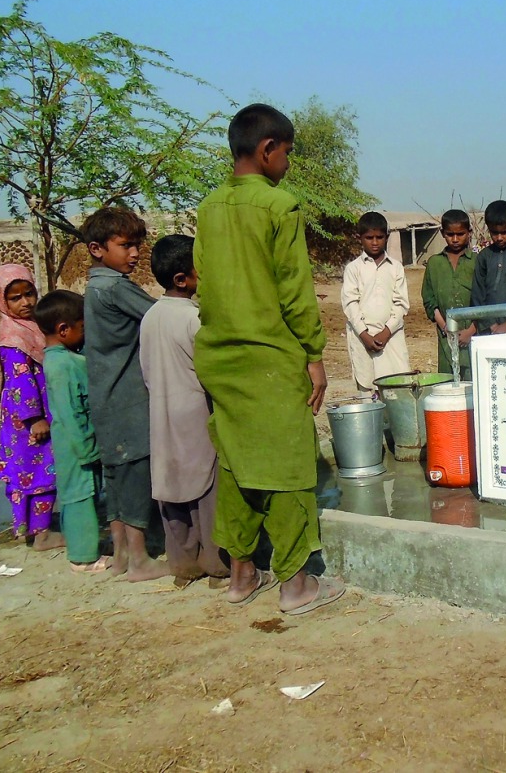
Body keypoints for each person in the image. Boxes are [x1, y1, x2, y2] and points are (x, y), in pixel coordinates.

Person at [194, 103, 345, 614]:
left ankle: (242, 575)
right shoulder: (280, 206)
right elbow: (294, 291)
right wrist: (314, 354)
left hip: (220, 357)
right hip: (272, 358)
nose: (289, 163)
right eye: (288, 153)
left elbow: (205, 287)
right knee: (290, 466)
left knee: (237, 463)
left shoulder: (209, 208)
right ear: (268, 150)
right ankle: (296, 583)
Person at [82, 206, 168, 582]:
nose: (134, 254)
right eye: (125, 245)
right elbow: (161, 317)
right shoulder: (116, 288)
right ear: (97, 249)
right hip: (128, 398)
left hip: (105, 399)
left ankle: (119, 556)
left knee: (116, 478)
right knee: (135, 475)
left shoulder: (93, 287)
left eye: (137, 246)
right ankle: (140, 559)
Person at [139, 234, 228, 588]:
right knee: (207, 489)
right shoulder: (194, 319)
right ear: (182, 279)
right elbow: (210, 372)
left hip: (161, 413)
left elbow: (147, 371)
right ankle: (217, 564)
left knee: (173, 487)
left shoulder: (150, 317)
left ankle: (183, 563)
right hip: (194, 415)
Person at [0, 264, 60, 549]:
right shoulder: (14, 338)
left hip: (26, 416)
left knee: (26, 470)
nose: (25, 302)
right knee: (39, 469)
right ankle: (41, 533)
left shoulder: (31, 327)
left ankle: (27, 528)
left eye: (29, 294)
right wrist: (35, 419)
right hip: (28, 420)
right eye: (15, 298)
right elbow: (20, 383)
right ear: (1, 300)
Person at [35, 289, 108, 572]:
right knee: (80, 496)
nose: (86, 333)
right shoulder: (63, 365)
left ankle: (79, 546)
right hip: (76, 443)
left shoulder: (61, 359)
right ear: (64, 329)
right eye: (83, 327)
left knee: (76, 495)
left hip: (74, 442)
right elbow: (70, 412)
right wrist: (87, 448)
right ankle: (83, 556)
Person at [341, 211, 411, 394]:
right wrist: (364, 335)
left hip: (391, 337)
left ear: (386, 237)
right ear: (359, 238)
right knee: (368, 390)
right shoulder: (353, 269)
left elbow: (401, 304)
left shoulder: (395, 267)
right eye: (369, 238)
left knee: (396, 387)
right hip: (362, 338)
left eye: (379, 237)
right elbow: (350, 304)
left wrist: (386, 332)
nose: (374, 242)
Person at [421, 209, 476, 380]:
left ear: (469, 233)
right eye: (450, 234)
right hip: (446, 337)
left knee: (474, 382)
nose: (455, 239)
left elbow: (485, 300)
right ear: (442, 233)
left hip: (474, 335)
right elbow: (429, 300)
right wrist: (446, 327)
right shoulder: (434, 263)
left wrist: (471, 331)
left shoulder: (477, 261)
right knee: (447, 382)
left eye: (460, 234)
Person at [471, 199, 506, 334]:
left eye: (505, 232)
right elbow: (478, 294)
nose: (499, 238)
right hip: (489, 330)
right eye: (494, 233)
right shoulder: (484, 256)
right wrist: (491, 324)